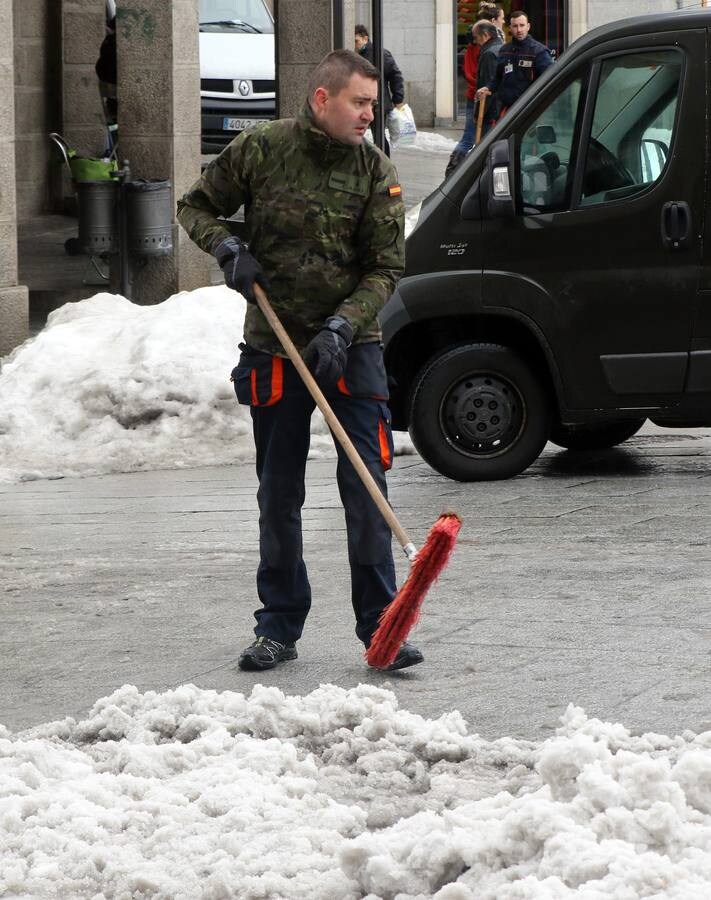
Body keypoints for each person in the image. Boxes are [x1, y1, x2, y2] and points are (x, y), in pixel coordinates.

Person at [176, 49, 423, 674]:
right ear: (323, 99)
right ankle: (279, 626)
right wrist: (227, 247)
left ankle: (379, 625)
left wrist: (344, 324)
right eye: (360, 103)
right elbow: (195, 206)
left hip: (352, 347)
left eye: (373, 103)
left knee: (365, 488)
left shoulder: (375, 171)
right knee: (278, 491)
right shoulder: (261, 150)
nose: (371, 113)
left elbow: (387, 267)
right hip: (275, 343)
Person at [446, 3, 505, 177]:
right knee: (470, 139)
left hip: (483, 101)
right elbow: (476, 76)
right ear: (493, 21)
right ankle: (454, 171)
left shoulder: (494, 45)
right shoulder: (481, 48)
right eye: (501, 19)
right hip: (478, 99)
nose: (504, 22)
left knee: (475, 140)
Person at [476, 10, 554, 117]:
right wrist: (488, 88)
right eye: (515, 26)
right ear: (510, 28)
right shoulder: (504, 50)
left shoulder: (539, 52)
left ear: (528, 26)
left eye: (522, 25)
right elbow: (498, 77)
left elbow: (550, 80)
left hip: (530, 109)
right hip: (508, 110)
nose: (519, 30)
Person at [354, 24, 405, 157]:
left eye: (356, 41)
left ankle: (384, 163)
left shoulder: (381, 54)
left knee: (379, 137)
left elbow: (396, 76)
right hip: (360, 102)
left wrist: (398, 99)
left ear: (365, 38)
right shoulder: (355, 56)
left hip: (378, 103)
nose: (355, 45)